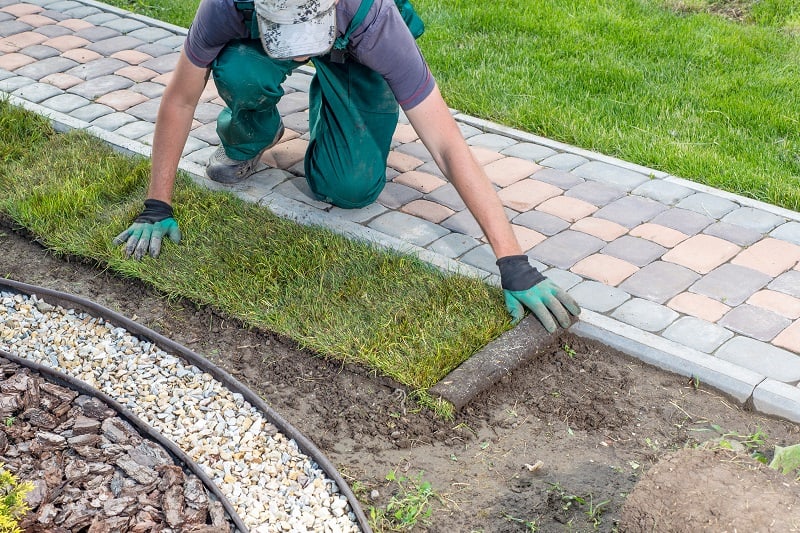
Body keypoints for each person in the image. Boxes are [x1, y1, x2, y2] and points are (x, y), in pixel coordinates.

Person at [113, 0, 580, 332]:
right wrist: (157, 204)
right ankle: (254, 133)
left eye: (303, 45)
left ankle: (337, 104)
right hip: (270, 39)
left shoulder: (374, 19)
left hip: (354, 46)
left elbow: (446, 144)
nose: (297, 55)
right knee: (240, 70)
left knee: (351, 186)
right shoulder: (226, 5)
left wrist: (513, 261)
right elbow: (179, 98)